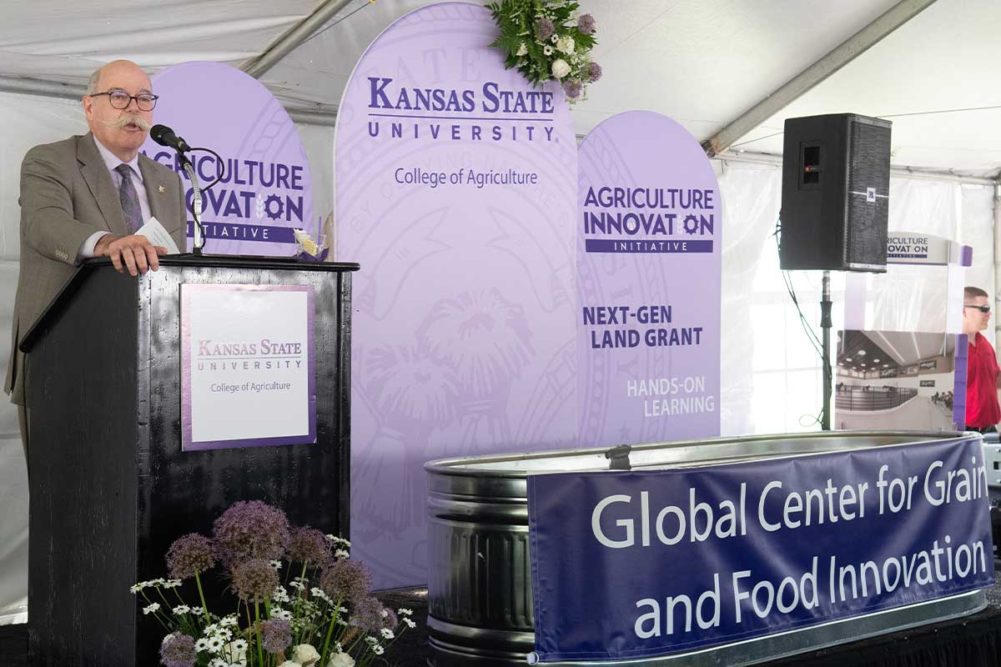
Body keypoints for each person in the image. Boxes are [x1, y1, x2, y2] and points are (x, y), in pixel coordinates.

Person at [4, 59, 187, 459]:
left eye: (143, 98)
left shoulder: (168, 180)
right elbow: (43, 223)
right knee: (67, 502)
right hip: (64, 357)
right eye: (119, 96)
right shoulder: (50, 160)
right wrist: (107, 243)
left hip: (149, 367)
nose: (134, 108)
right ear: (90, 107)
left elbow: (174, 264)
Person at [962, 286, 1001, 433]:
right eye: (984, 309)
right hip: (964, 430)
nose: (989, 314)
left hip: (989, 427)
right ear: (964, 310)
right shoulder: (953, 346)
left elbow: (995, 380)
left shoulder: (985, 345)